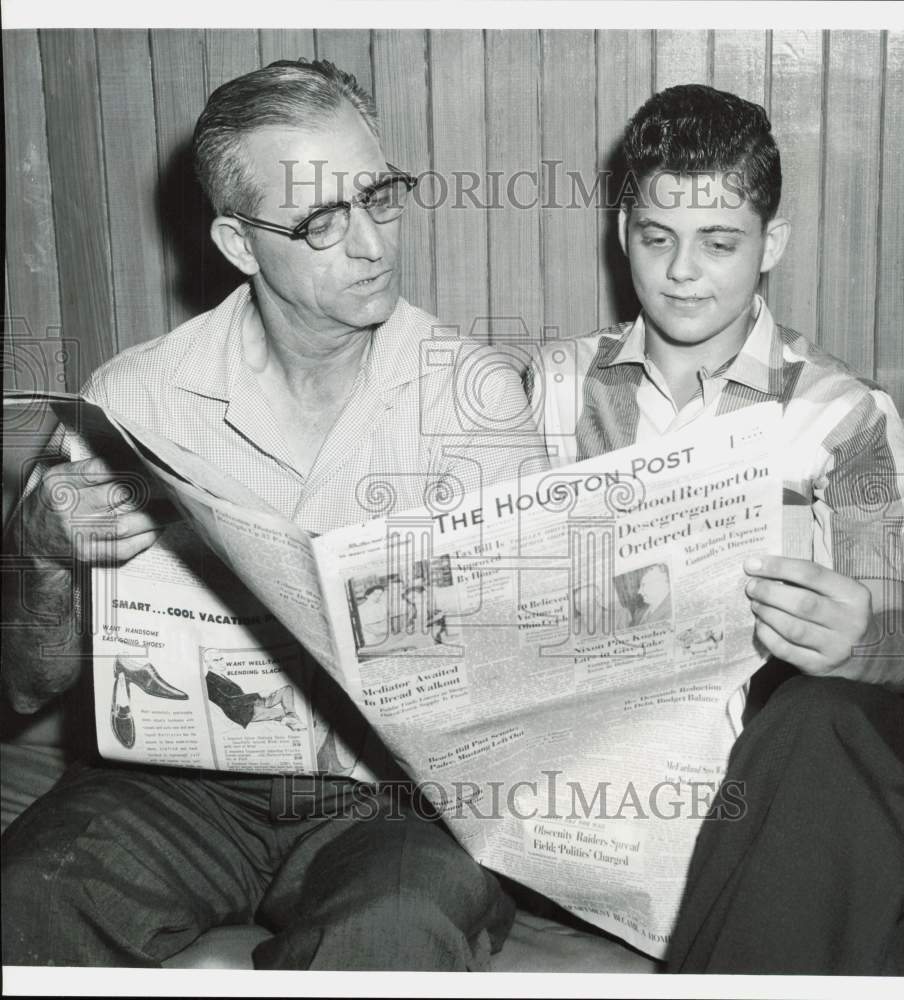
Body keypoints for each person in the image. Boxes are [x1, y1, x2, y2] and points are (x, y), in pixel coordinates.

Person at [1, 59, 545, 970]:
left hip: (396, 801)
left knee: (395, 930)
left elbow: (533, 683)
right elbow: (22, 684)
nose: (372, 244)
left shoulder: (473, 394)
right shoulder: (136, 397)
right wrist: (40, 551)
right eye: (324, 220)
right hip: (177, 792)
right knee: (26, 900)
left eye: (379, 196)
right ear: (239, 244)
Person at [530, 84, 904, 974]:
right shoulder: (554, 388)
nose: (682, 273)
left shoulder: (847, 412)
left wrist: (861, 640)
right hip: (611, 733)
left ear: (769, 246)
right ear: (622, 230)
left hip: (785, 735)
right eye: (656, 238)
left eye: (720, 243)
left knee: (825, 727)